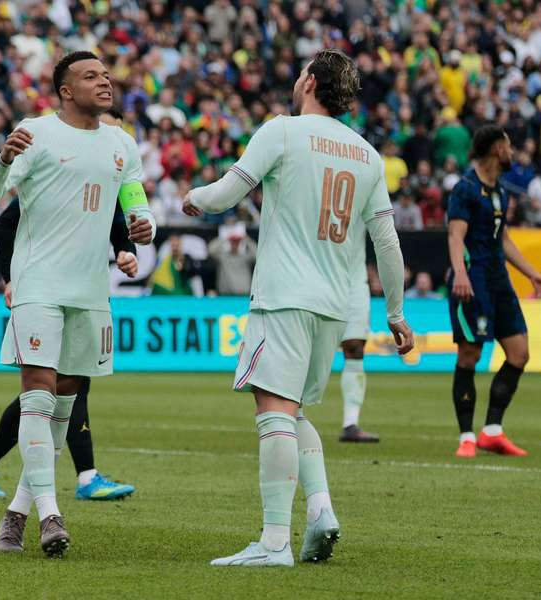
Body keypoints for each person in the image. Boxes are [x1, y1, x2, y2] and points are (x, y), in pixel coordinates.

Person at [184, 49, 413, 567]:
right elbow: (388, 243)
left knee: (273, 411)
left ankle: (272, 542)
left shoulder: (281, 131)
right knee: (295, 410)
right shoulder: (369, 156)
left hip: (285, 294)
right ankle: (321, 511)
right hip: (335, 304)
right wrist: (396, 313)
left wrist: (194, 197)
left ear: (309, 81)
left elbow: (225, 194)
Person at [0, 51, 156, 558]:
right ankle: (51, 514)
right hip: (38, 286)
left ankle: (16, 512)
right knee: (38, 392)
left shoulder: (122, 143)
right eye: (90, 75)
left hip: (90, 293)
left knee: (64, 404)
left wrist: (144, 227)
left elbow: (136, 205)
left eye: (105, 73)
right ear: (66, 90)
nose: (105, 80)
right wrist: (4, 159)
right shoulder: (34, 133)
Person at [0, 114, 138, 502]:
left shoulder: (105, 175)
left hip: (85, 291)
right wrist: (10, 278)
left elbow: (113, 219)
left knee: (65, 385)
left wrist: (126, 249)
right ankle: (82, 476)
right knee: (51, 387)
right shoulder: (54, 174)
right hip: (44, 287)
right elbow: (4, 222)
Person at [447, 125, 541, 460]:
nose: (513, 152)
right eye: (508, 146)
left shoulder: (501, 191)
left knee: (519, 354)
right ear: (497, 149)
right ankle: (467, 436)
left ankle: (492, 431)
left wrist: (534, 274)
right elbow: (455, 236)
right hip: (473, 280)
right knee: (470, 354)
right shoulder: (466, 189)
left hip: (499, 281)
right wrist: (461, 274)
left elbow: (504, 239)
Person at [338, 221, 380, 444]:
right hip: (315, 279)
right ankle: (292, 417)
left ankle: (350, 424)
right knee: (308, 349)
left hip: (354, 281)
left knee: (354, 347)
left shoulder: (366, 186)